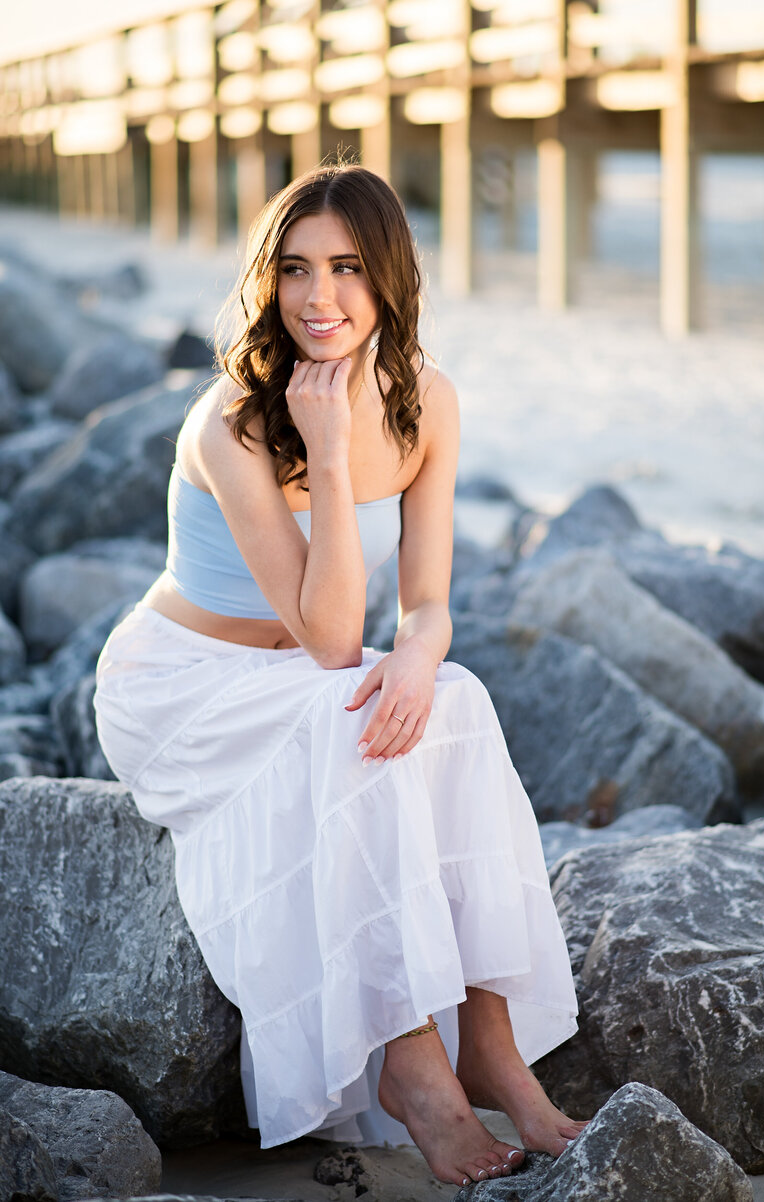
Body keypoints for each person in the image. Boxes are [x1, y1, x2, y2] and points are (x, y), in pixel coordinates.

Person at [94, 162, 585, 1189]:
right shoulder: (231, 419)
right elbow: (326, 638)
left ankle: (487, 1037)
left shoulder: (425, 400)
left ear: (390, 276)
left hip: (300, 675)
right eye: (297, 269)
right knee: (351, 720)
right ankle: (413, 1065)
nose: (320, 297)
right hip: (182, 684)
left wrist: (416, 653)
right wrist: (321, 444)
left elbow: (426, 601)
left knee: (455, 700)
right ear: (267, 281)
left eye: (349, 267)